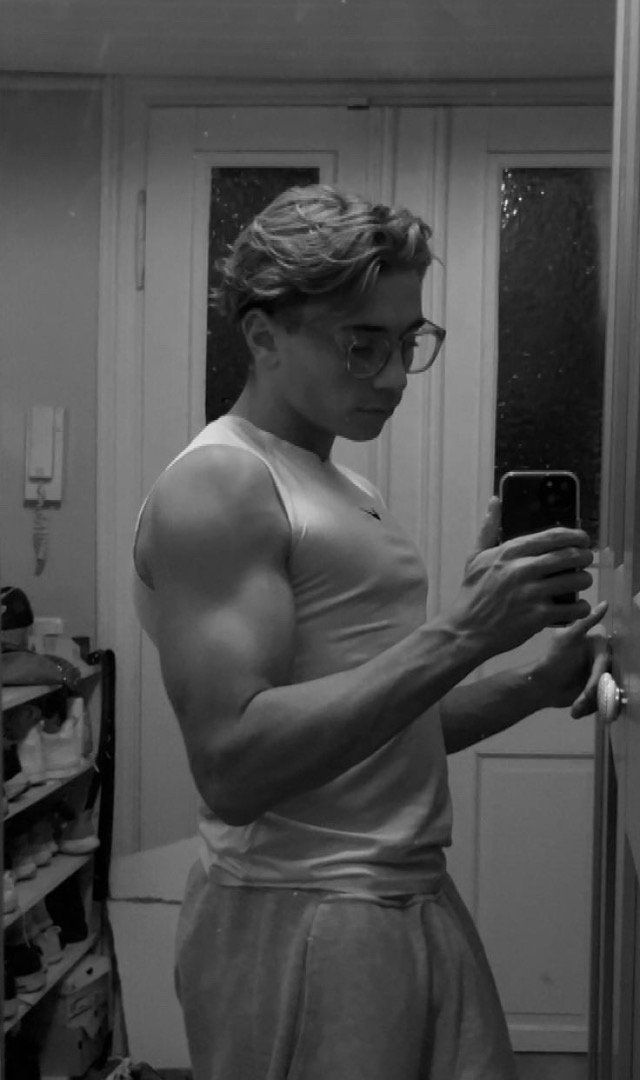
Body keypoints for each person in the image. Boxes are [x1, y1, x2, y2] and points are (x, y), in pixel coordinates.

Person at [131, 184, 608, 1080]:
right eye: (361, 343)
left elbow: (380, 737)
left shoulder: (344, 489)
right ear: (263, 336)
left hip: (401, 894)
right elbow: (233, 766)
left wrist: (533, 681)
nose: (391, 377)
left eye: (407, 342)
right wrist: (462, 632)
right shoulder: (221, 485)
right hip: (303, 914)